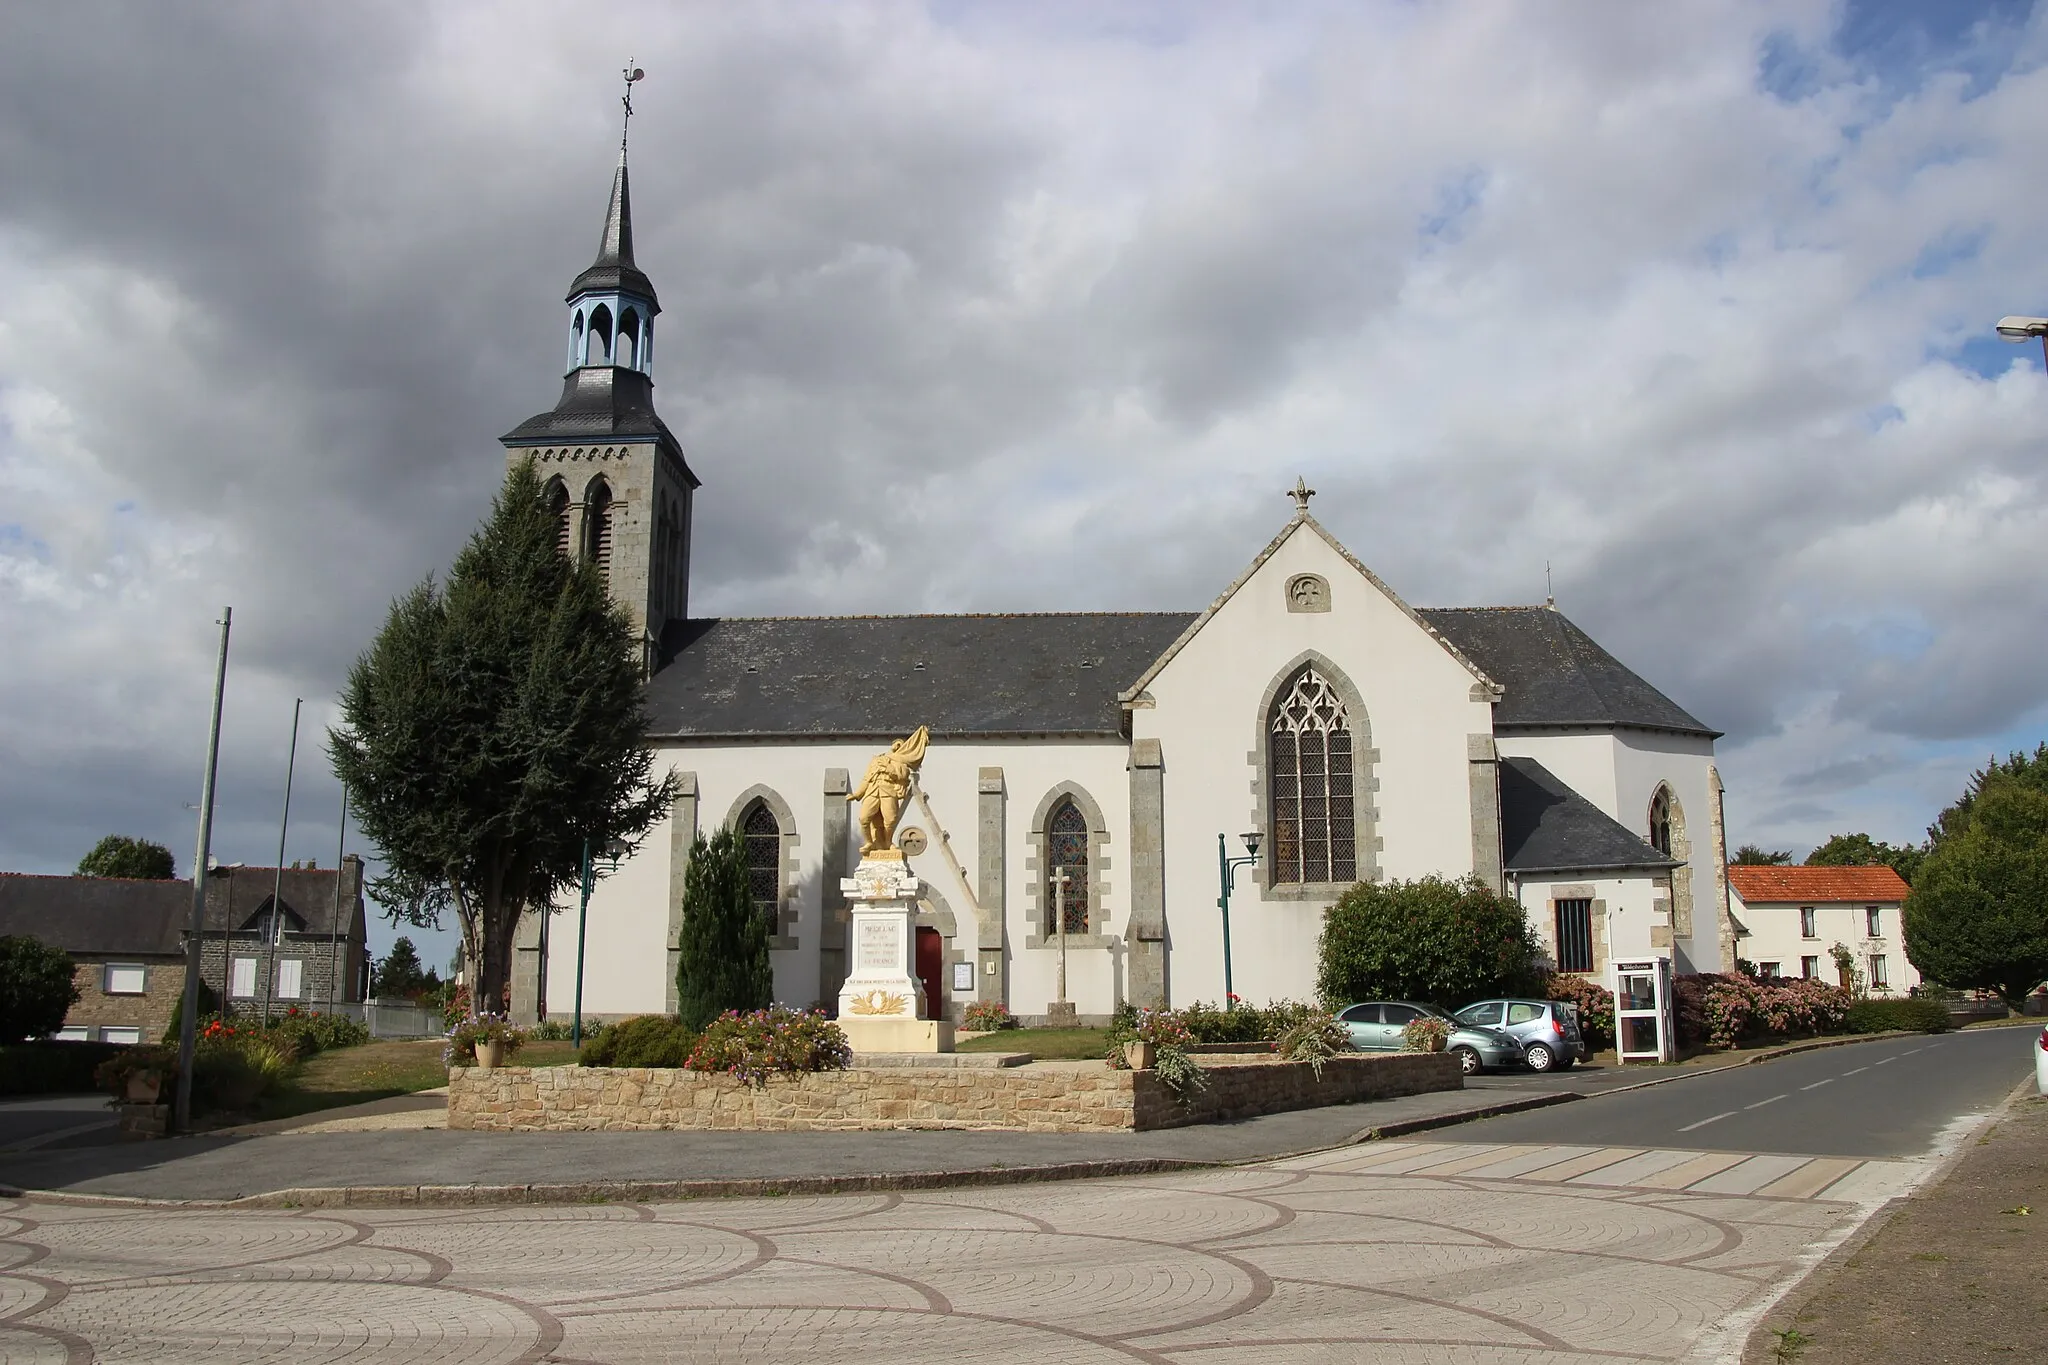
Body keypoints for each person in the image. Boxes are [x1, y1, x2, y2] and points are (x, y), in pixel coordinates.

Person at [849, 726, 929, 857]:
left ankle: (887, 843)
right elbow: (866, 779)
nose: (897, 745)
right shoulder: (876, 760)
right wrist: (857, 794)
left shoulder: (902, 764)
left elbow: (902, 776)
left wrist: (888, 768)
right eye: (895, 743)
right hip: (872, 791)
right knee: (864, 818)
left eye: (900, 744)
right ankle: (869, 843)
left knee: (890, 820)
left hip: (888, 792)